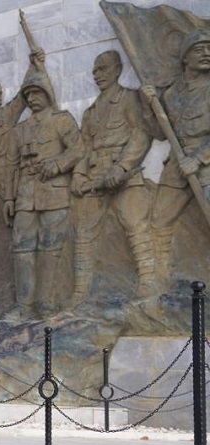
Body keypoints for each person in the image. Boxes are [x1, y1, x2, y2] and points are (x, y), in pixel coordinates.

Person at [71, 50, 155, 305]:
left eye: (102, 69)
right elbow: (84, 149)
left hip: (125, 176)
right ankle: (80, 292)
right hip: (95, 178)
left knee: (136, 225)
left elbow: (141, 135)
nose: (97, 75)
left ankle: (148, 282)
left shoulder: (129, 99)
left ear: (117, 70)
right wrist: (78, 174)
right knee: (84, 233)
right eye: (94, 71)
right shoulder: (90, 112)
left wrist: (121, 168)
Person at [3, 69, 85, 319]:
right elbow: (10, 166)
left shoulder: (62, 120)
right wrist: (9, 198)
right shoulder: (20, 129)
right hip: (25, 196)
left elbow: (79, 149)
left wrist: (58, 164)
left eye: (36, 93)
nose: (31, 98)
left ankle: (46, 302)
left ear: (48, 94)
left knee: (51, 247)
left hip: (54, 193)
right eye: (27, 95)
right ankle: (24, 305)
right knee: (22, 247)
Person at [141, 30, 210, 290]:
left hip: (205, 165)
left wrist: (199, 159)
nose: (206, 53)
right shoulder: (171, 94)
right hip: (177, 166)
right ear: (185, 57)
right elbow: (160, 133)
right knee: (158, 221)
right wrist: (149, 105)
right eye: (199, 49)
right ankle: (161, 281)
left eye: (209, 49)